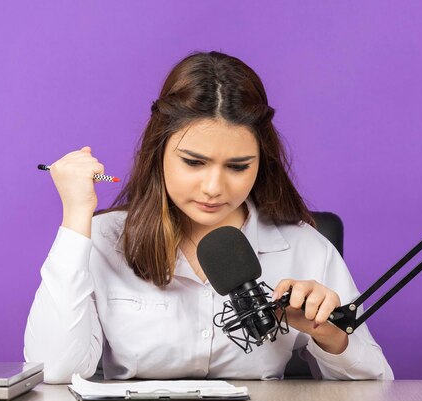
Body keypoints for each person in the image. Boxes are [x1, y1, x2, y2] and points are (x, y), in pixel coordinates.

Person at [24, 51, 394, 383]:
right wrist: (76, 214)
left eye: (237, 166)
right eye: (194, 162)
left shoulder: (304, 246)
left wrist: (327, 333)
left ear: (260, 162)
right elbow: (55, 369)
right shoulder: (104, 241)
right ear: (159, 151)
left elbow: (376, 382)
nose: (214, 187)